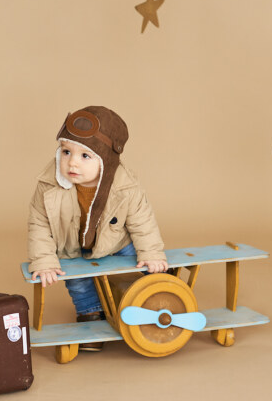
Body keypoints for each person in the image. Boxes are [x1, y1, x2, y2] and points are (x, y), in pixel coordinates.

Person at [27, 106, 168, 351]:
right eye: (66, 151)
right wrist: (44, 259)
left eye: (85, 156)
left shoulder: (125, 187)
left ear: (105, 160)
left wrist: (152, 253)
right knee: (78, 282)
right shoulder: (48, 185)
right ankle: (90, 315)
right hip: (74, 246)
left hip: (117, 243)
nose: (72, 162)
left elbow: (142, 222)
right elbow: (39, 224)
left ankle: (153, 302)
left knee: (144, 267)